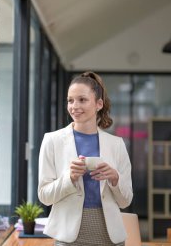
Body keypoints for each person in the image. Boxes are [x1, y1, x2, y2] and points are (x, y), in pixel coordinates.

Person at [38, 71, 133, 246]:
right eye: (70, 100)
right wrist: (69, 178)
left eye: (82, 100)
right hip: (69, 237)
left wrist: (114, 178)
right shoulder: (52, 141)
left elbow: (125, 200)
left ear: (99, 104)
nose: (74, 106)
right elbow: (44, 196)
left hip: (110, 236)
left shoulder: (116, 144)